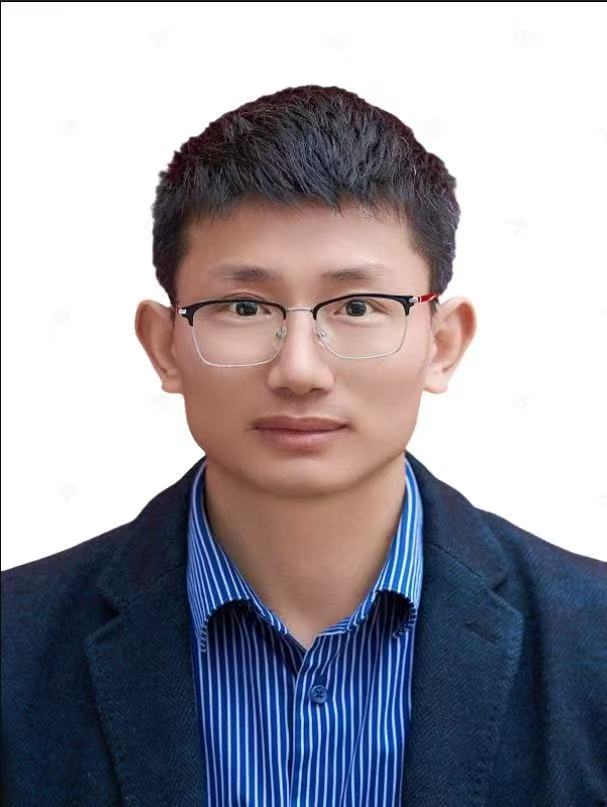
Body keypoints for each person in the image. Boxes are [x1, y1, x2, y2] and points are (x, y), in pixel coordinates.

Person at [2, 85, 606, 807]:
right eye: (244, 307)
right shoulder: (16, 646)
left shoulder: (591, 642)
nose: (299, 370)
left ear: (442, 344)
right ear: (165, 346)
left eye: (357, 306)